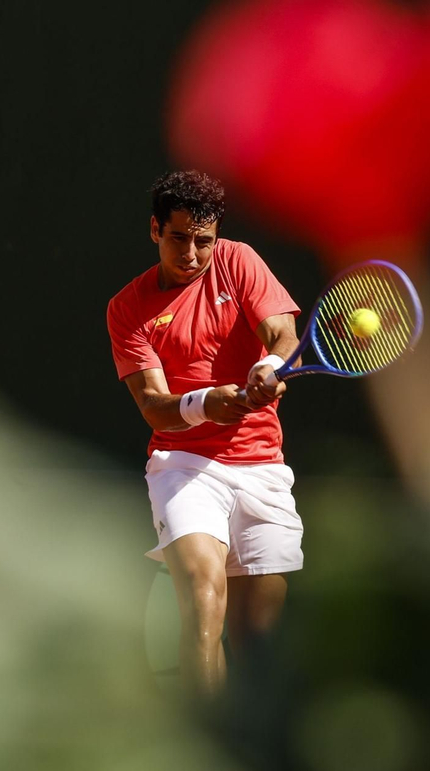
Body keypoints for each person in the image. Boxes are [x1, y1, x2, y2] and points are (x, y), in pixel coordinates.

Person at [107, 170, 303, 696]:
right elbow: (154, 407)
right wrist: (205, 404)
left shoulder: (238, 261)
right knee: (202, 593)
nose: (192, 253)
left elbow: (283, 335)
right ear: (155, 230)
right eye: (178, 238)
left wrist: (268, 366)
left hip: (261, 465)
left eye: (204, 241)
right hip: (183, 468)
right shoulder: (127, 309)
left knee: (258, 635)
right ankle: (205, 752)